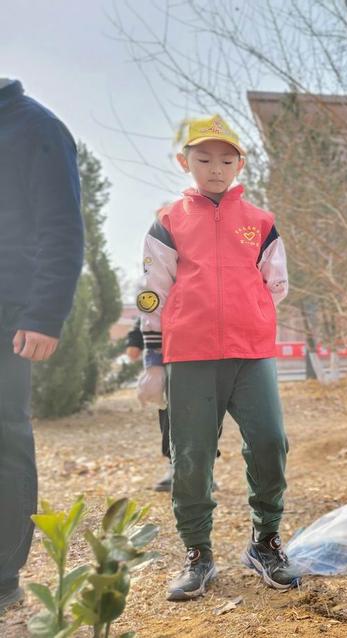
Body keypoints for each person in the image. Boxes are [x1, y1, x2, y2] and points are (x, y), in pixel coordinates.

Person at [137, 115, 294, 601]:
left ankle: (265, 540)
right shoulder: (168, 220)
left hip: (252, 355)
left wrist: (250, 312)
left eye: (227, 159)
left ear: (240, 163)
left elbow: (278, 283)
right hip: (190, 356)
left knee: (270, 442)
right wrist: (152, 360)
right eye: (204, 158)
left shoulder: (260, 222)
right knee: (191, 456)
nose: (215, 168)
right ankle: (197, 552)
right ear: (185, 161)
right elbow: (151, 291)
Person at [0, 78, 84, 614]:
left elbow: (62, 228)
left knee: (3, 437)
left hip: (9, 311)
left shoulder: (37, 127)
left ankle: (2, 571)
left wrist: (45, 313)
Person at [127, 317, 222, 491]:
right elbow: (148, 313)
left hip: (206, 358)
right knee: (171, 416)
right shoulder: (161, 293)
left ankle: (206, 469)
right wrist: (135, 340)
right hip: (170, 363)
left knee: (208, 416)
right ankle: (174, 467)